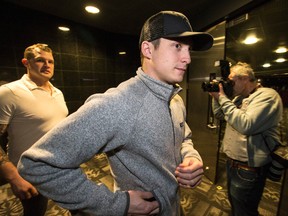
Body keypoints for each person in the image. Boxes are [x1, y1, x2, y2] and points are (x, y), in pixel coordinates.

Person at [18, 11, 213, 215]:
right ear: (148, 49)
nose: (187, 58)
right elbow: (37, 165)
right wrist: (118, 204)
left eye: (189, 49)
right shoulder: (118, 104)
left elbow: (185, 137)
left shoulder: (175, 98)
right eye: (177, 46)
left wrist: (191, 156)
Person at [0, 43, 68, 216]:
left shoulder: (57, 92)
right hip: (29, 171)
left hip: (60, 166)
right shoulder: (9, 92)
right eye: (40, 60)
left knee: (78, 204)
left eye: (50, 62)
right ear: (26, 62)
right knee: (35, 211)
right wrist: (14, 177)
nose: (47, 65)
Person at [210, 62, 283, 216]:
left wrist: (223, 98)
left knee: (245, 210)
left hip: (248, 168)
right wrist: (216, 96)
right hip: (232, 164)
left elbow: (246, 125)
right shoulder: (239, 98)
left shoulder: (267, 96)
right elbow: (220, 114)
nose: (229, 84)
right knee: (236, 204)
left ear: (245, 78)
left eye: (231, 80)